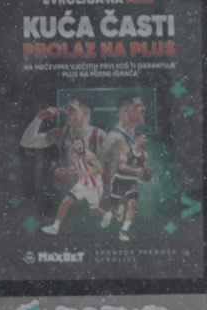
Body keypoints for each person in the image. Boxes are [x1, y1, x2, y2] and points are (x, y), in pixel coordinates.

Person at [21, 94, 107, 235]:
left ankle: (107, 215)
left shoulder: (100, 136)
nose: (66, 111)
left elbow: (112, 167)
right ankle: (55, 227)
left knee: (94, 214)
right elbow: (26, 142)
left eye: (71, 109)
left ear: (85, 113)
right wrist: (39, 118)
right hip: (68, 188)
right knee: (65, 208)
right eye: (66, 108)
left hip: (94, 186)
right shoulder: (61, 134)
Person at [98, 94, 148, 239]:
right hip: (114, 189)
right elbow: (98, 167)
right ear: (125, 111)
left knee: (131, 204)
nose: (144, 109)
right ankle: (115, 211)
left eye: (143, 106)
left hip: (126, 185)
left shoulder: (133, 139)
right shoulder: (114, 137)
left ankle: (121, 224)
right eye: (138, 106)